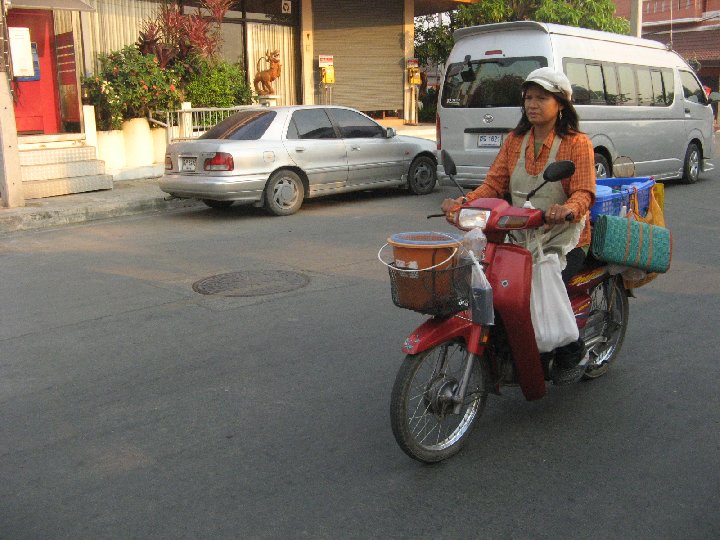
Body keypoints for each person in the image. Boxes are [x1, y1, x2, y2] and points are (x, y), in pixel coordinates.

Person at [441, 67, 596, 383]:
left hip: (563, 236)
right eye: (528, 98)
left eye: (541, 98)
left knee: (541, 287)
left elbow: (584, 191)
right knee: (487, 283)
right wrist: (464, 203)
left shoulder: (577, 143)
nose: (532, 104)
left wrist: (567, 209)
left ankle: (572, 351)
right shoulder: (514, 141)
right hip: (519, 231)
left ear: (561, 104)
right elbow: (494, 185)